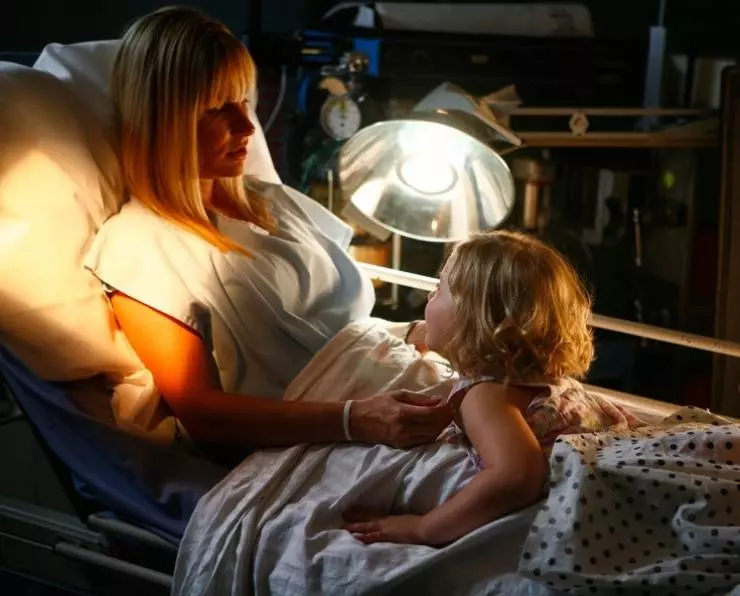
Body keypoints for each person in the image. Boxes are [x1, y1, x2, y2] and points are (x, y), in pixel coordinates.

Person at [84, 5, 452, 452]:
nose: (246, 126)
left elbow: (340, 330)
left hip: (408, 386)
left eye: (244, 101)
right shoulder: (142, 244)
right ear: (161, 119)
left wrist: (423, 335)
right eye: (217, 109)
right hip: (339, 437)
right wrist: (357, 420)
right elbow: (203, 415)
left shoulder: (273, 201)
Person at [343, 231, 644, 546]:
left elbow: (517, 475)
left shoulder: (485, 395)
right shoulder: (544, 380)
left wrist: (422, 528)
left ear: (475, 320)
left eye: (440, 288)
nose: (430, 296)